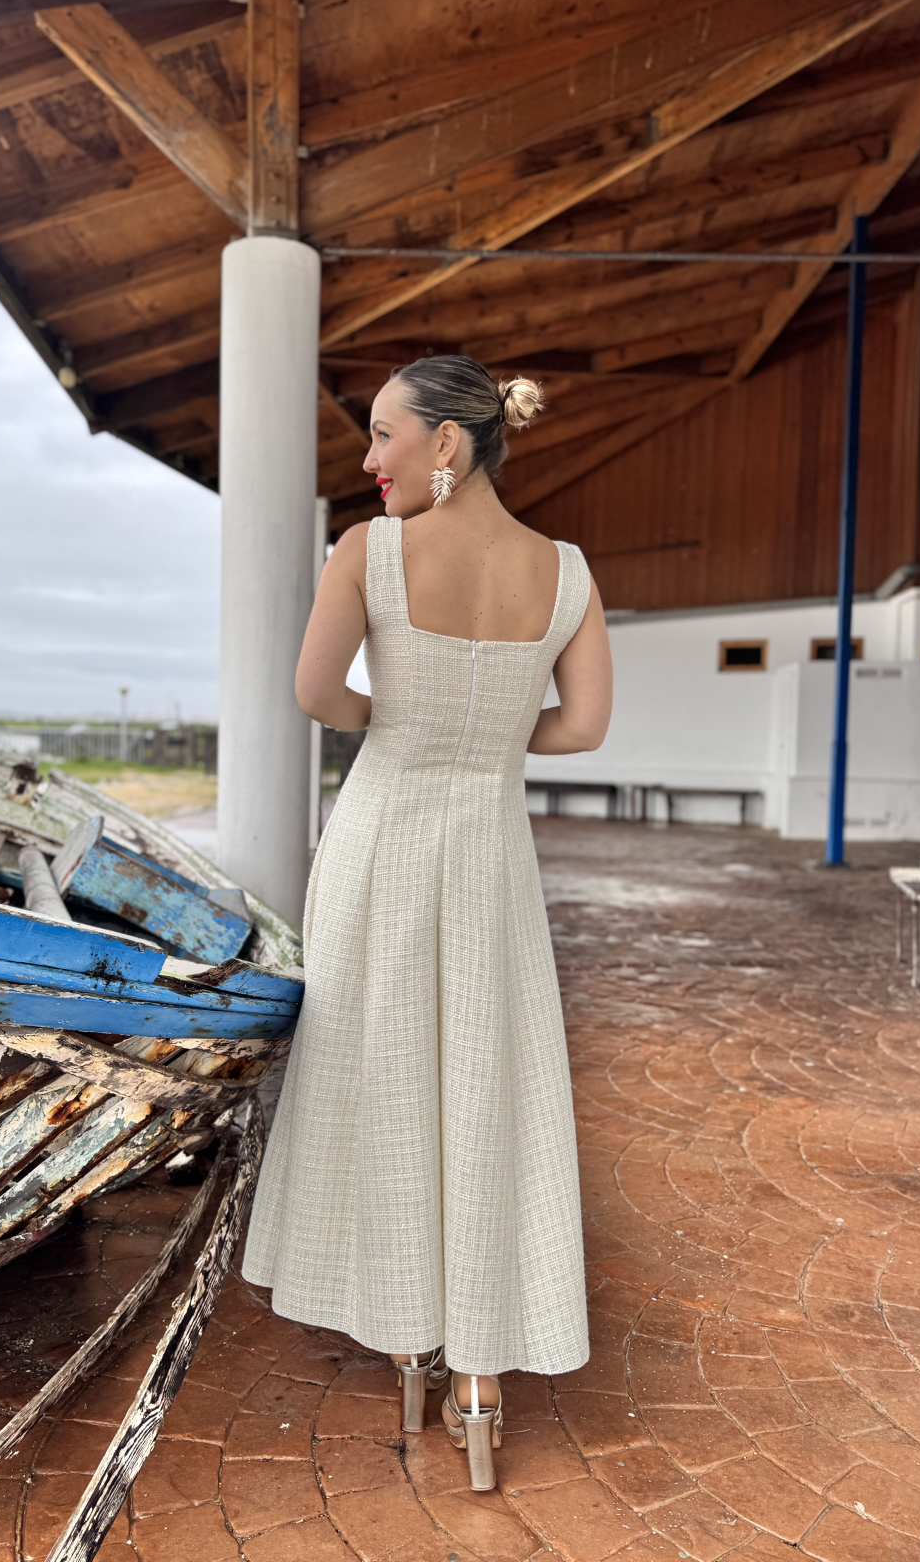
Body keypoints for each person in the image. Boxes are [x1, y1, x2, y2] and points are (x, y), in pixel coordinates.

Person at [242, 354, 613, 1490]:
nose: (369, 459)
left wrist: (397, 715)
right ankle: (481, 1381)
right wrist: (491, 736)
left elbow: (316, 694)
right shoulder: (566, 571)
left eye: (382, 434)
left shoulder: (370, 551)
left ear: (445, 443)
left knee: (386, 1072)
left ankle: (408, 1339)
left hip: (383, 841)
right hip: (491, 852)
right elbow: (584, 727)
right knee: (488, 1083)